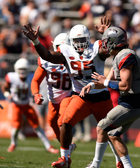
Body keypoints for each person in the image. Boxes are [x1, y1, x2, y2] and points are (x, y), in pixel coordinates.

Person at [22, 17, 123, 168]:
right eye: (76, 40)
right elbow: (47, 56)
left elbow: (112, 48)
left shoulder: (97, 48)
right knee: (65, 122)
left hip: (100, 96)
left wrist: (106, 36)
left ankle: (119, 161)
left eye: (82, 39)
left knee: (111, 131)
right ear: (71, 41)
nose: (80, 43)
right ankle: (65, 159)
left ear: (88, 39)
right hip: (80, 96)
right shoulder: (66, 51)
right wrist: (36, 42)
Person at [80, 26, 140, 168]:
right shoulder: (120, 55)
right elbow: (106, 82)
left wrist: (106, 81)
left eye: (106, 41)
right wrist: (91, 85)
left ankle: (95, 165)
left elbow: (125, 85)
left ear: (113, 43)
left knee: (101, 127)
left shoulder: (126, 56)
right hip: (135, 103)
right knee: (113, 134)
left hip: (132, 103)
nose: (104, 45)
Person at [1, 58, 59, 154]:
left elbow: (34, 89)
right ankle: (13, 143)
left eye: (24, 70)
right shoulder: (11, 77)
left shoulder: (31, 77)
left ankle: (48, 146)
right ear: (16, 69)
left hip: (27, 105)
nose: (22, 72)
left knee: (37, 126)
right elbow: (4, 87)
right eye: (20, 70)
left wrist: (33, 99)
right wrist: (7, 94)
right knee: (16, 128)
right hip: (16, 104)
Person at [31, 33, 76, 152]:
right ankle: (66, 146)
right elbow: (35, 80)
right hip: (53, 99)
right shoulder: (46, 61)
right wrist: (36, 94)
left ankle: (65, 156)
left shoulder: (75, 59)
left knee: (62, 122)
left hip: (68, 96)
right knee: (52, 122)